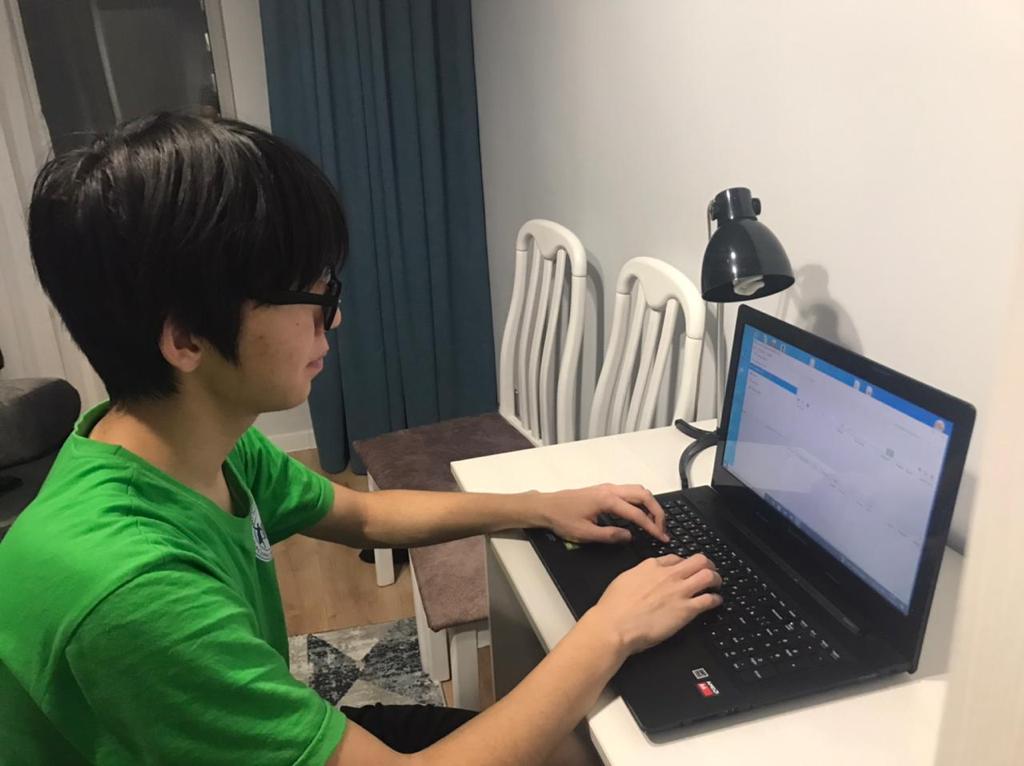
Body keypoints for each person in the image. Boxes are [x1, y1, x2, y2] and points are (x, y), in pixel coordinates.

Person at [0, 113, 721, 765]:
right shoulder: (134, 593)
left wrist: (540, 504)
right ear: (187, 338)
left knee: (569, 743)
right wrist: (608, 630)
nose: (334, 320)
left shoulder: (190, 439)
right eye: (314, 297)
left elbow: (366, 516)